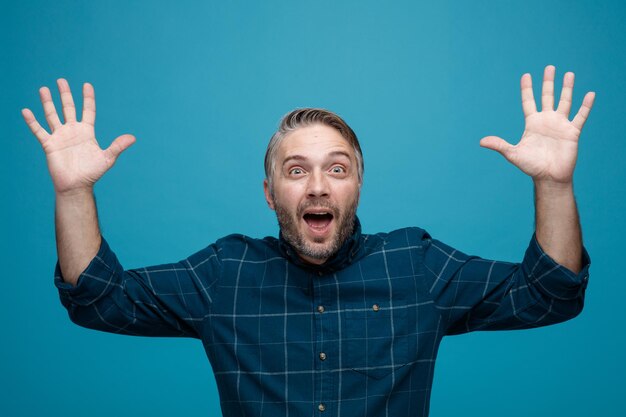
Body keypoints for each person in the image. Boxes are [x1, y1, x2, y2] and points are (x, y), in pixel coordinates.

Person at [22, 65, 595, 417]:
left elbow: (552, 294)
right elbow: (99, 300)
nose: (318, 186)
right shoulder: (226, 274)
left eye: (337, 169)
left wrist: (554, 184)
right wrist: (73, 193)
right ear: (270, 193)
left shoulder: (416, 265)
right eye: (297, 171)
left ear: (359, 185)